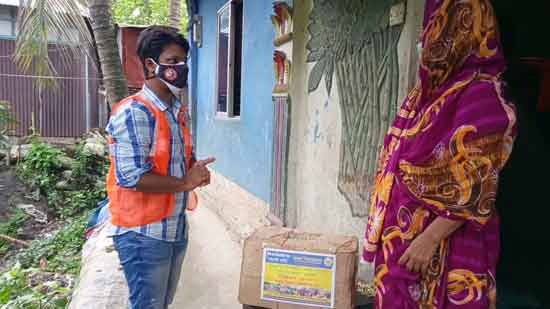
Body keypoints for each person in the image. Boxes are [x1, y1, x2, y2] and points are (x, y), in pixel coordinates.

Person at [362, 0, 517, 308]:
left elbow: (476, 180)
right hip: (403, 243)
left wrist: (429, 239)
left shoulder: (480, 93)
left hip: (442, 246)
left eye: (434, 29)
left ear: (460, 32)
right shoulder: (425, 94)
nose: (423, 40)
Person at [105, 26, 214, 308]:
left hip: (174, 229)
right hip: (143, 235)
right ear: (151, 65)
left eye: (184, 60)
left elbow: (175, 158)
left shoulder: (175, 110)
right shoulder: (135, 112)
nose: (181, 67)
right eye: (173, 60)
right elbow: (130, 176)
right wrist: (185, 183)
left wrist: (194, 168)